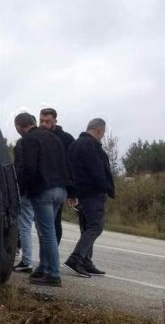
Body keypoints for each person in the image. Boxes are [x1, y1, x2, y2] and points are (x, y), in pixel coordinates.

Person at [14, 112, 76, 286]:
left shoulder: (28, 140)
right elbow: (67, 164)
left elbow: (29, 167)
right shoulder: (53, 138)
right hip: (60, 189)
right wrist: (72, 191)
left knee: (47, 233)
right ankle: (43, 267)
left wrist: (23, 188)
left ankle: (53, 274)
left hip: (44, 190)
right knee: (46, 231)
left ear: (19, 127)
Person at [64, 118, 115, 277]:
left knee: (86, 228)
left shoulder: (75, 145)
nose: (102, 136)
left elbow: (70, 170)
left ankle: (85, 261)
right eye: (102, 133)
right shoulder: (91, 146)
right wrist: (105, 187)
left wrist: (72, 192)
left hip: (80, 193)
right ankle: (76, 258)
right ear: (99, 131)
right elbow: (97, 170)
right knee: (95, 226)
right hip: (92, 193)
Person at [39, 108, 75, 246]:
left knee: (53, 222)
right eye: (41, 121)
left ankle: (52, 251)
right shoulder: (37, 136)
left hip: (57, 187)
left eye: (47, 121)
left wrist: (72, 192)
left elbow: (72, 166)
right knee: (40, 223)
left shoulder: (66, 139)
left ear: (55, 121)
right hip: (39, 186)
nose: (43, 124)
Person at [13, 138, 35, 274]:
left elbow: (19, 166)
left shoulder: (23, 143)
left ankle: (26, 260)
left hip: (25, 191)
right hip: (40, 190)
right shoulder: (47, 142)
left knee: (24, 226)